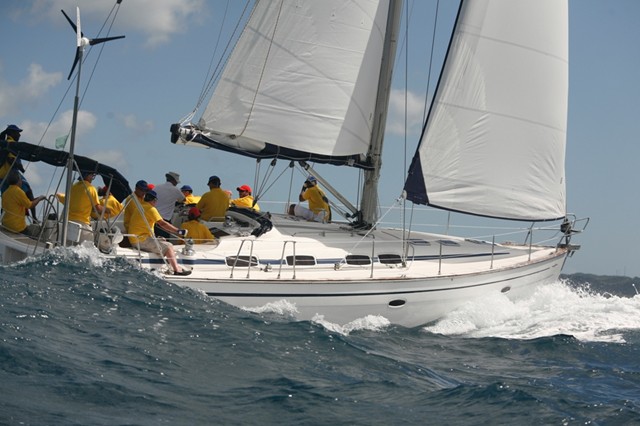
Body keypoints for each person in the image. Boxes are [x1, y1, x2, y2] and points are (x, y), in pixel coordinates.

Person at [127, 190, 191, 276]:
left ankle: (172, 265)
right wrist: (178, 231)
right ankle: (177, 270)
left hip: (136, 239)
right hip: (141, 240)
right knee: (168, 246)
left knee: (163, 241)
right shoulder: (151, 209)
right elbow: (162, 224)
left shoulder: (140, 207)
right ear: (154, 200)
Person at [0, 124, 37, 219]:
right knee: (29, 192)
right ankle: (34, 218)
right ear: (11, 133)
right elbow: (10, 159)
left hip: (2, 177)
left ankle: (2, 219)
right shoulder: (11, 144)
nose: (19, 135)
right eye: (17, 133)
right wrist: (20, 167)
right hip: (11, 174)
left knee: (6, 199)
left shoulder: (3, 143)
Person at [1, 170, 45, 237]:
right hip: (16, 227)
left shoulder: (5, 193)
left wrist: (37, 198)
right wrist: (40, 199)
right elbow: (30, 205)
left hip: (6, 224)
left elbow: (21, 202)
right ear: (19, 180)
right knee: (33, 237)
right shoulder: (19, 191)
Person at [154, 172, 185, 238]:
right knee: (164, 241)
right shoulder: (176, 190)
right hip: (164, 221)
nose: (176, 184)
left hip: (153, 218)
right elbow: (183, 199)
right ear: (173, 180)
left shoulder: (156, 187)